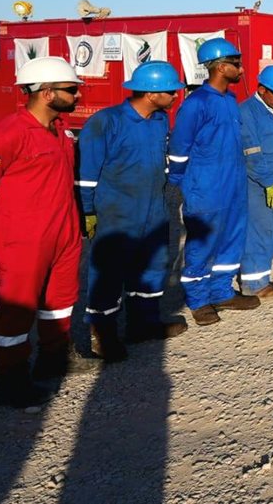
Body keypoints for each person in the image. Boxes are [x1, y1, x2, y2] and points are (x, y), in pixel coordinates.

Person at [0, 57, 98, 408]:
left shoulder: (61, 131)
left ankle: (54, 358)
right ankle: (10, 379)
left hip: (63, 231)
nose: (77, 95)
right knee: (18, 309)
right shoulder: (8, 133)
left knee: (61, 299)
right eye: (71, 89)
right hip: (22, 237)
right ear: (46, 93)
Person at [80, 61, 187, 363]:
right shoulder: (106, 122)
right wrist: (87, 210)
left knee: (152, 266)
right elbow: (87, 175)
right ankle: (103, 335)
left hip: (154, 208)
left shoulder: (159, 120)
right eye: (171, 91)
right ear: (152, 94)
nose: (175, 96)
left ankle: (143, 325)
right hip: (117, 212)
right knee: (109, 272)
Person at [168, 37, 254, 326]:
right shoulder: (197, 104)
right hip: (206, 186)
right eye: (236, 63)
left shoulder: (229, 100)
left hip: (233, 184)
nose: (241, 69)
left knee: (232, 237)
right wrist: (182, 182)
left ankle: (221, 292)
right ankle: (198, 299)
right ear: (219, 67)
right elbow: (179, 147)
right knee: (203, 242)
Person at [238, 65, 273, 299]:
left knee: (271, 230)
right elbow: (251, 153)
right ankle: (253, 284)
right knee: (257, 231)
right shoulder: (246, 112)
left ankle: (262, 277)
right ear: (261, 89)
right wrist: (269, 181)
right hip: (256, 183)